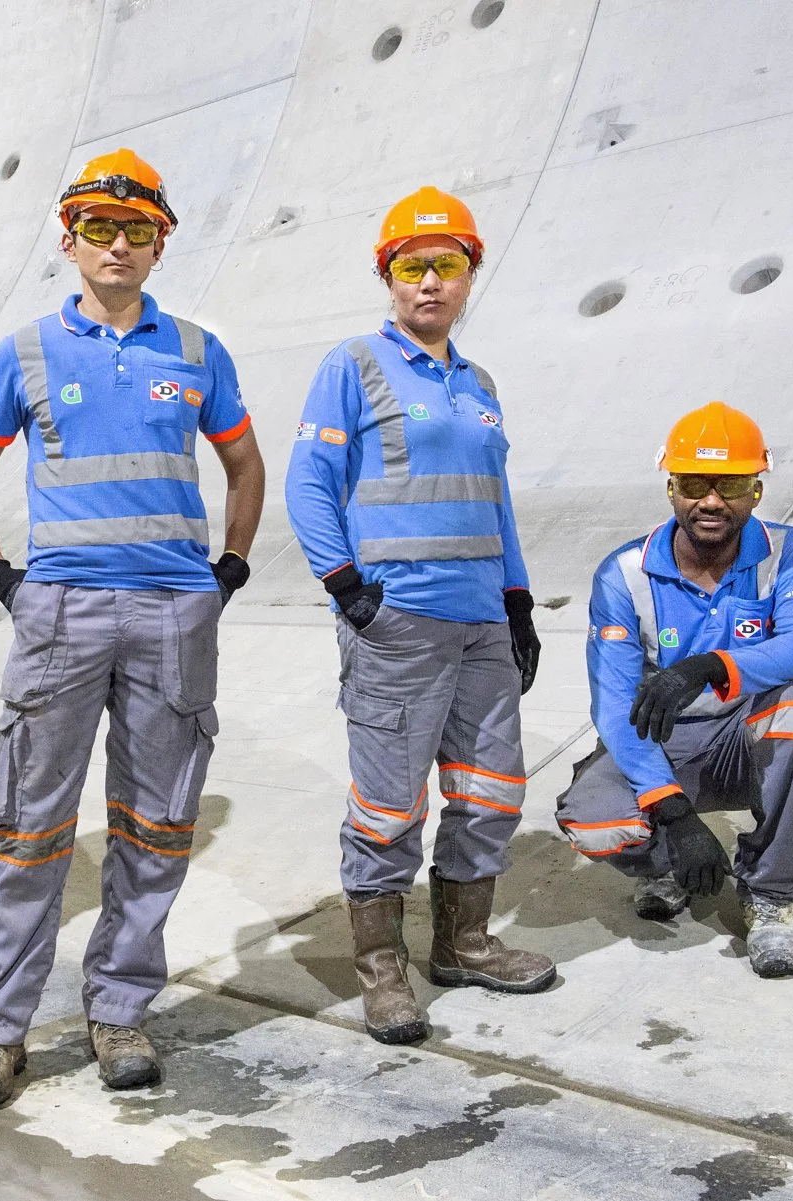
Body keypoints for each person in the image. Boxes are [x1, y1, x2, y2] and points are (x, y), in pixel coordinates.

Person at [0, 149, 265, 1108]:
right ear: (69, 241)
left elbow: (246, 467)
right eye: (97, 230)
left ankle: (119, 1010)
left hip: (174, 615)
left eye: (135, 232)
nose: (115, 246)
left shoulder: (199, 351)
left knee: (158, 825)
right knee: (31, 828)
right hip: (61, 615)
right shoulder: (27, 352)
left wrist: (229, 571)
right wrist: (6, 577)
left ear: (160, 243)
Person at [283, 186, 552, 1045]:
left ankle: (464, 942)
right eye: (412, 266)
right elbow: (307, 483)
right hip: (398, 623)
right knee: (389, 805)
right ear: (388, 277)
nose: (430, 282)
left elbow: (495, 500)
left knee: (489, 791)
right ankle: (382, 971)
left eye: (448, 265)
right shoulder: (354, 365)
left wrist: (518, 603)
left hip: (481, 627)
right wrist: (346, 586)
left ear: (471, 274)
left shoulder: (479, 384)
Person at [556, 402, 793, 978]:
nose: (711, 501)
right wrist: (678, 818)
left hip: (746, 735)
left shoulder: (788, 552)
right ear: (671, 489)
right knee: (591, 817)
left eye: (731, 483)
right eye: (694, 483)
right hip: (665, 745)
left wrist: (708, 666)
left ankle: (773, 897)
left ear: (755, 490)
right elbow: (613, 706)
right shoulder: (626, 573)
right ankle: (667, 863)